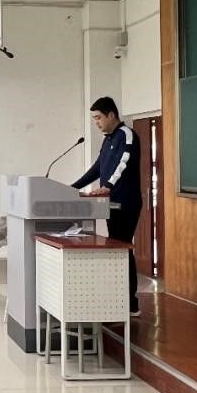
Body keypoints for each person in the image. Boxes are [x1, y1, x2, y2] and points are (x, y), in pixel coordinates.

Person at [72, 97, 143, 316]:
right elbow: (97, 168)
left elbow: (124, 162)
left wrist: (108, 186)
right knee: (117, 249)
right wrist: (72, 188)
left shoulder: (126, 135)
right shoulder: (108, 140)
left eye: (98, 118)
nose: (96, 123)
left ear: (111, 114)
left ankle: (130, 303)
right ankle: (119, 300)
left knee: (122, 249)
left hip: (126, 203)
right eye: (94, 119)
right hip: (110, 204)